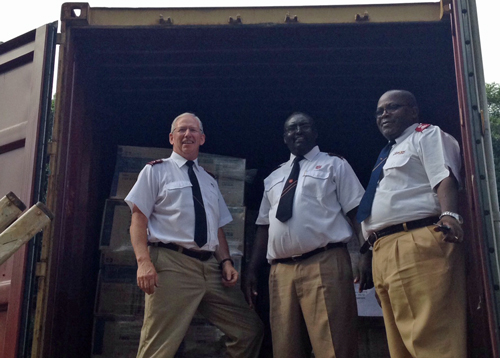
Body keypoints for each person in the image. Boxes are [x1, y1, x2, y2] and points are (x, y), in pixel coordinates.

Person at [125, 112, 263, 358]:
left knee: (249, 330)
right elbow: (138, 219)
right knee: (159, 348)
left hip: (210, 269)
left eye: (192, 130)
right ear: (171, 138)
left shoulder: (209, 180)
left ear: (202, 138)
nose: (187, 134)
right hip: (171, 264)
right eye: (181, 130)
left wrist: (226, 261)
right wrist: (143, 262)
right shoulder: (156, 171)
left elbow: (216, 227)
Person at [244, 112, 370, 358]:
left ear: (316, 132)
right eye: (291, 129)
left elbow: (357, 212)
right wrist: (251, 268)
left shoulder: (335, 164)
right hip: (280, 272)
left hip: (324, 262)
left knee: (334, 344)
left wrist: (366, 252)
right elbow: (263, 226)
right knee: (285, 347)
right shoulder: (274, 177)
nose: (297, 132)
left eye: (304, 126)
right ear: (284, 138)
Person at [356, 90, 466, 358]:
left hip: (415, 242)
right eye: (380, 111)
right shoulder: (387, 154)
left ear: (414, 111)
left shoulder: (426, 135)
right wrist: (367, 252)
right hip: (384, 251)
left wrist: (450, 214)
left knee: (433, 342)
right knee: (401, 347)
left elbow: (444, 176)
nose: (384, 114)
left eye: (392, 107)